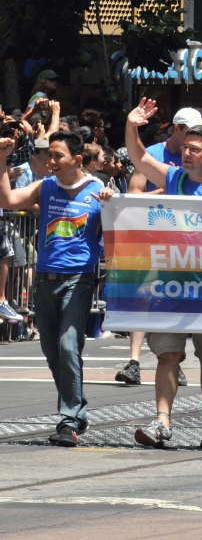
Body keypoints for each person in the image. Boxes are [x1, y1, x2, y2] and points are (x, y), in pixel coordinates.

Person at [121, 99, 202, 448]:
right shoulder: (173, 179)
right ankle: (162, 421)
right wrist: (132, 126)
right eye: (184, 147)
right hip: (171, 287)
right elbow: (139, 158)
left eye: (194, 149)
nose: (186, 154)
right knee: (168, 355)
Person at [0, 131, 103, 446]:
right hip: (45, 280)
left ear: (77, 160)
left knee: (68, 345)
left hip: (79, 280)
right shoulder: (44, 187)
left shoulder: (99, 191)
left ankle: (70, 419)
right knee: (51, 349)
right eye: (48, 156)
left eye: (58, 156)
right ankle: (76, 408)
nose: (50, 161)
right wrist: (1, 160)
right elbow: (7, 200)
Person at [128, 107, 202, 193]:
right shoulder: (151, 153)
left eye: (200, 132)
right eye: (191, 132)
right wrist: (166, 189)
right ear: (176, 129)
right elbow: (133, 193)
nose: (196, 136)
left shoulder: (200, 157)